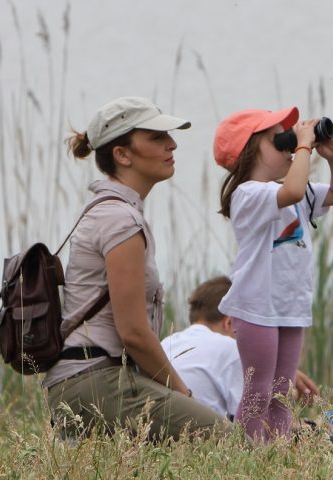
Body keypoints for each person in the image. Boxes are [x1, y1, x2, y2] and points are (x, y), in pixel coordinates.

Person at [44, 97, 225, 441]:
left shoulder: (114, 212)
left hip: (87, 381)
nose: (171, 144)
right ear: (122, 155)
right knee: (225, 443)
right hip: (96, 381)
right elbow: (133, 333)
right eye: (156, 138)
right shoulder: (119, 220)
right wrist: (183, 395)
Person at [212, 107, 333, 441]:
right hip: (257, 307)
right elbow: (288, 191)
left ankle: (278, 454)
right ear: (250, 151)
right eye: (281, 140)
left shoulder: (296, 191)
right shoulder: (248, 194)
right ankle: (248, 457)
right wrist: (303, 146)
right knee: (258, 391)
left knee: (280, 393)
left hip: (290, 306)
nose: (290, 146)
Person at [161, 276, 321, 418]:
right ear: (229, 322)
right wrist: (315, 427)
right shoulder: (230, 348)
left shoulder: (167, 342)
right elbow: (257, 421)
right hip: (202, 440)